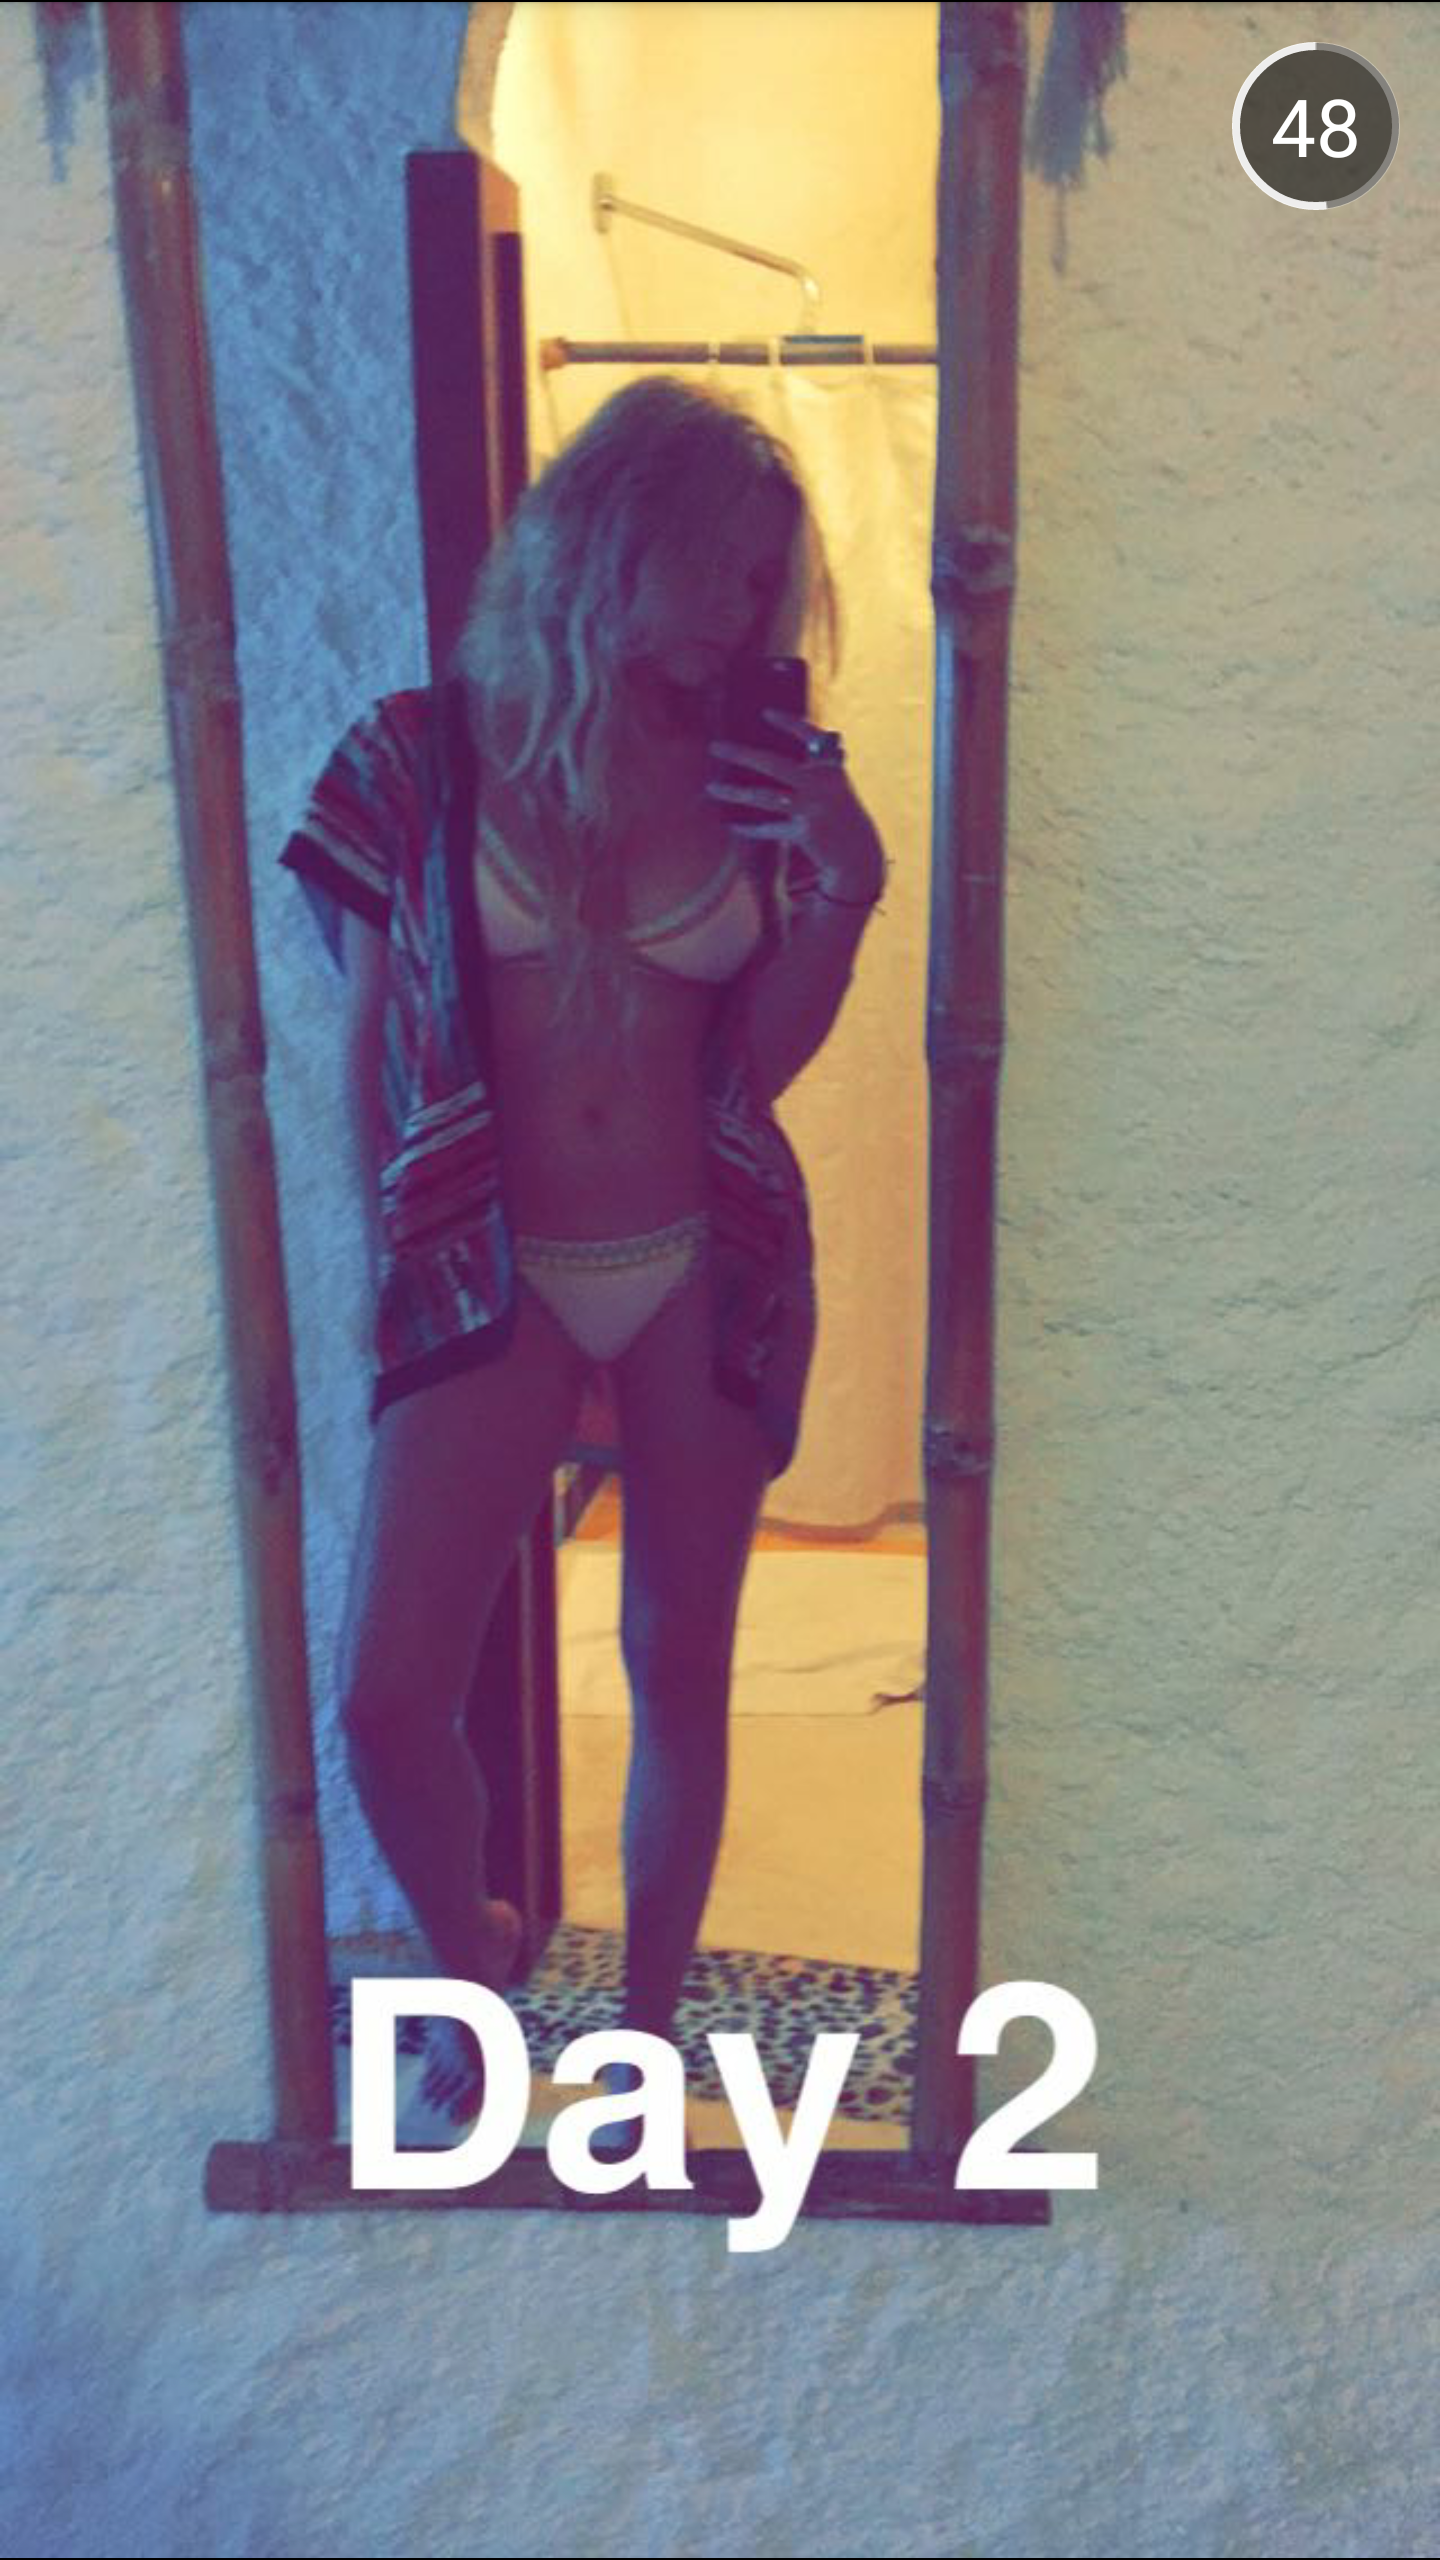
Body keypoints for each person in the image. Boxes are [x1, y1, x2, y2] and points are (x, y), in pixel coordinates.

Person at [280, 376, 890, 2148]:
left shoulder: (757, 778)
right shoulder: (417, 757)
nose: (746, 614)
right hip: (493, 1263)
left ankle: (640, 2037)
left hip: (703, 1256)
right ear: (612, 539)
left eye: (768, 579)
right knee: (391, 1697)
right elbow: (376, 1040)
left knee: (679, 1668)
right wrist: (381, 1261)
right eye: (722, 568)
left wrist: (843, 888)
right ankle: (472, 1971)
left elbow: (753, 1069)